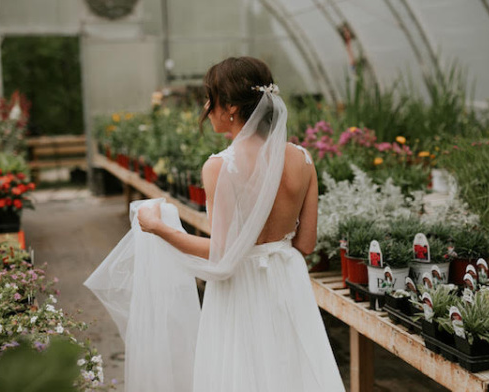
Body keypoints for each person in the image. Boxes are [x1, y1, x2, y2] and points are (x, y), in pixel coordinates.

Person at [120, 57, 344, 391]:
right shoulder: (302, 159)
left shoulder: (220, 167)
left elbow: (220, 256)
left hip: (241, 289)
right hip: (287, 282)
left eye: (211, 98)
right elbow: (307, 245)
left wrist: (159, 227)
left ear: (232, 109)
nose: (207, 107)